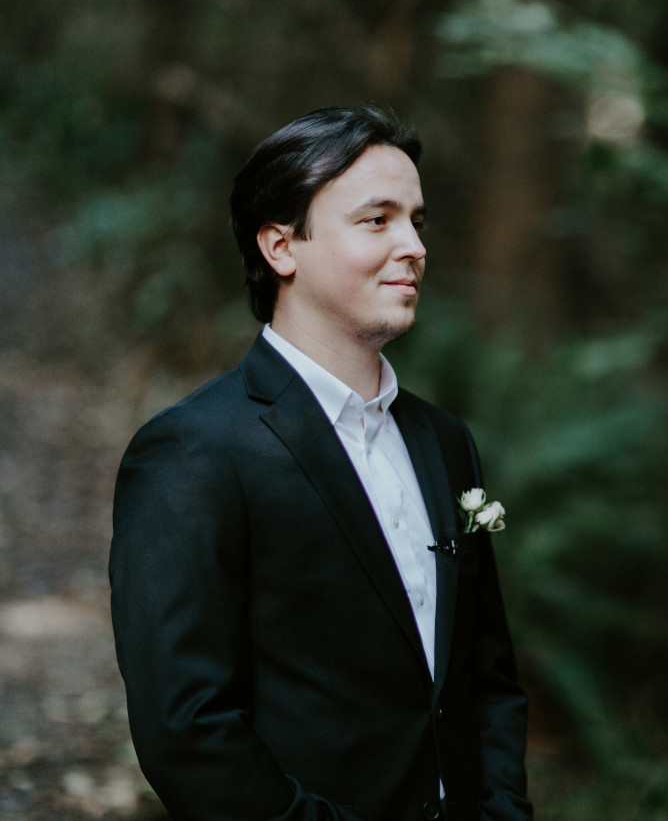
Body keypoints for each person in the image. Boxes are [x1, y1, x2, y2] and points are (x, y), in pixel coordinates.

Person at [109, 106, 533, 821]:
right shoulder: (193, 451)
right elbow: (185, 727)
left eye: (417, 221)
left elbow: (486, 680)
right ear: (281, 246)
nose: (413, 246)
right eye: (377, 220)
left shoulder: (444, 440)